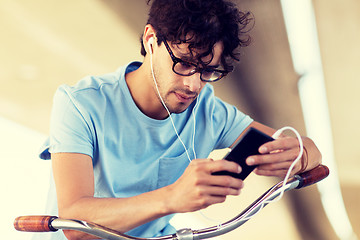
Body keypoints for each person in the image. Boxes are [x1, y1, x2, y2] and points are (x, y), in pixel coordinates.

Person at [37, 0, 322, 239]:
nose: (194, 85)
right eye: (184, 63)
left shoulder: (210, 111)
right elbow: (74, 223)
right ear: (151, 40)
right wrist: (173, 196)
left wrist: (302, 151)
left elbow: (308, 151)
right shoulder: (80, 103)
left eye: (207, 71)